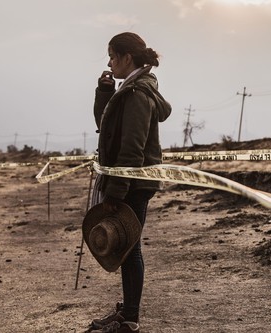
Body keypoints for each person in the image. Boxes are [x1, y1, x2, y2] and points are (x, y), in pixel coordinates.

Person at [85, 32, 172, 333]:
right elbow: (104, 127)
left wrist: (116, 191)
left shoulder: (137, 94)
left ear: (126, 58)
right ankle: (127, 313)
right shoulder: (127, 89)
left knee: (130, 248)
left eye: (111, 55)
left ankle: (131, 320)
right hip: (131, 181)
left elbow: (132, 148)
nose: (109, 62)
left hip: (134, 183)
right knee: (127, 247)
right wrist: (104, 92)